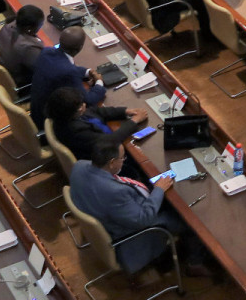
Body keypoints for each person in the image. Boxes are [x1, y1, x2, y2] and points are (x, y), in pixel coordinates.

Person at [68, 136, 209, 277]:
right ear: (111, 163)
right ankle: (194, 264)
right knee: (191, 221)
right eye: (122, 158)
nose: (124, 161)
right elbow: (143, 219)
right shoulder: (115, 192)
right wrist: (159, 189)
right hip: (130, 235)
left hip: (105, 213)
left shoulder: (79, 166)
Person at [30, 26, 106, 127]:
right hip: (48, 121)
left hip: (36, 110)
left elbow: (64, 67)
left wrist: (88, 72)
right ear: (80, 47)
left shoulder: (46, 52)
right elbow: (88, 100)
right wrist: (99, 82)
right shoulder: (69, 73)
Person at [0, 5, 45, 86]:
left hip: (4, 67)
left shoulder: (8, 26)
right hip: (19, 81)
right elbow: (43, 69)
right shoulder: (28, 48)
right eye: (40, 25)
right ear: (29, 28)